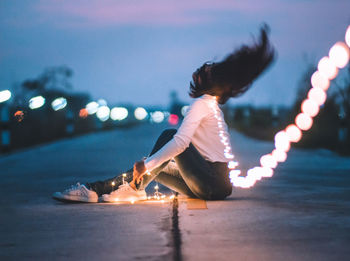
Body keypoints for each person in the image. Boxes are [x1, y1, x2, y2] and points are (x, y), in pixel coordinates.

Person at [52, 24, 275, 203]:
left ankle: (99, 189)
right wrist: (148, 165)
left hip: (211, 182)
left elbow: (179, 143)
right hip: (213, 184)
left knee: (168, 137)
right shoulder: (211, 106)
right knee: (156, 163)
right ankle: (107, 189)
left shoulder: (202, 104)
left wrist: (147, 165)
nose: (200, 69)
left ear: (210, 81)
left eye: (204, 70)